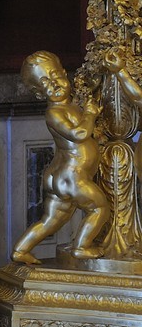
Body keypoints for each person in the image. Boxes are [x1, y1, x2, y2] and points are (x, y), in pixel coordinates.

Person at [11, 52, 108, 264]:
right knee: (99, 208)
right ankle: (82, 247)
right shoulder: (54, 113)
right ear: (38, 94)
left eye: (56, 76)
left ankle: (21, 250)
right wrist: (90, 114)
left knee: (51, 221)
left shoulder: (69, 105)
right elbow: (79, 134)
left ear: (65, 74)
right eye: (46, 83)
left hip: (61, 177)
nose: (54, 84)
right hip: (73, 176)